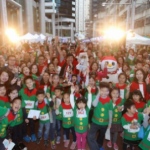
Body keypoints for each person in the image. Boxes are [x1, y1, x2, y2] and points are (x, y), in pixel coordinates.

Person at [87, 82, 113, 150]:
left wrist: (110, 123)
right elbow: (94, 104)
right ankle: (96, 148)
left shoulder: (110, 101)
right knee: (90, 137)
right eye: (102, 90)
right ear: (99, 90)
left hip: (105, 123)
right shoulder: (95, 97)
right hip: (95, 122)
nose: (104, 92)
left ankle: (99, 146)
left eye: (106, 91)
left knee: (101, 136)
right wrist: (98, 93)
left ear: (109, 91)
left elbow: (110, 112)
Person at [70, 85, 92, 150]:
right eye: (79, 103)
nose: (81, 105)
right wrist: (71, 93)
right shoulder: (75, 109)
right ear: (77, 104)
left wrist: (90, 92)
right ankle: (79, 148)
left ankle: (83, 148)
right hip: (77, 129)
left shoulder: (87, 109)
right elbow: (71, 101)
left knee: (84, 139)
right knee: (78, 139)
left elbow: (90, 102)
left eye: (83, 103)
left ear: (85, 104)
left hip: (85, 129)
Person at [19, 76, 37, 142]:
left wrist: (36, 114)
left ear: (33, 82)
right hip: (24, 110)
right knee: (24, 123)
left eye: (30, 82)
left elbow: (37, 104)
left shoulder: (36, 91)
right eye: (27, 83)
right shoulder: (22, 91)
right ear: (25, 84)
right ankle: (24, 135)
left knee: (32, 123)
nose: (29, 84)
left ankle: (32, 133)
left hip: (32, 111)